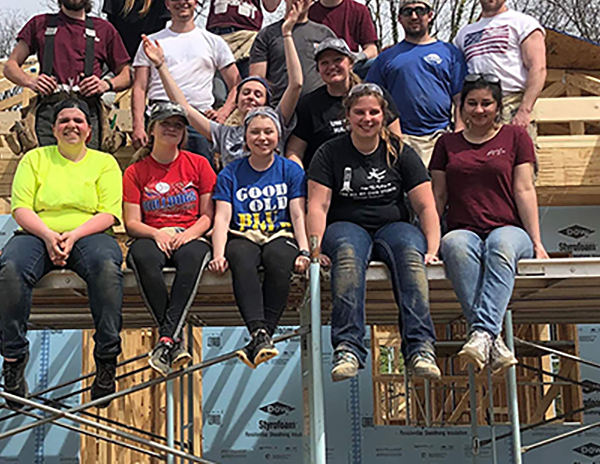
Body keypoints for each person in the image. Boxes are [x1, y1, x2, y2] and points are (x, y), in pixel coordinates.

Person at [306, 83, 443, 383]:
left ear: (383, 115)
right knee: (347, 256)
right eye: (359, 112)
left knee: (410, 254)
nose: (367, 118)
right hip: (346, 226)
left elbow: (426, 206)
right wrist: (315, 250)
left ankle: (420, 346)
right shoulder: (328, 153)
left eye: (373, 112)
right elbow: (318, 205)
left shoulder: (401, 152)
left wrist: (432, 248)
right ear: (347, 116)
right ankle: (348, 347)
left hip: (393, 226)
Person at [0, 98, 124, 409]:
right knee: (11, 270)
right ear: (53, 130)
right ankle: (13, 361)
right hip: (37, 233)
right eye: (64, 120)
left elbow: (109, 213)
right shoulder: (35, 159)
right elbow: (21, 208)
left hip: (90, 233)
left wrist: (74, 235)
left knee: (107, 268)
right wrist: (49, 235)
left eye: (78, 121)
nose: (71, 125)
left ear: (89, 131)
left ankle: (106, 360)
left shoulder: (104, 163)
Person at [428, 74, 548, 374]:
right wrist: (431, 243)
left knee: (500, 246)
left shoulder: (516, 137)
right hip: (463, 228)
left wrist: (536, 242)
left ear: (497, 107)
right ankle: (491, 340)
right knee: (453, 245)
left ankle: (481, 333)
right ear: (462, 107)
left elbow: (524, 189)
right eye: (472, 103)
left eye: (486, 104)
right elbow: (437, 195)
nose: (479, 110)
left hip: (509, 228)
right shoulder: (447, 143)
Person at [140, 0, 305, 167]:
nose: (251, 97)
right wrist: (161, 65)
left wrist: (287, 34)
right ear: (237, 99)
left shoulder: (276, 122)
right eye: (246, 93)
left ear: (266, 102)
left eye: (258, 94)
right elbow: (185, 107)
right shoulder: (224, 133)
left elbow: (296, 84)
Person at [208, 107, 310, 367]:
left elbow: (298, 214)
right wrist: (218, 253)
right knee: (240, 256)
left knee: (278, 257)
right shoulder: (230, 173)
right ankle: (260, 334)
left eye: (268, 132)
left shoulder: (291, 170)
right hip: (244, 233)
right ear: (245, 136)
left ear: (278, 135)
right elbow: (221, 217)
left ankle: (260, 335)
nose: (262, 137)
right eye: (255, 132)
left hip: (281, 232)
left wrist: (304, 250)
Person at [123, 102, 217, 375]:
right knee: (141, 257)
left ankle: (166, 339)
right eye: (166, 123)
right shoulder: (136, 171)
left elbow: (207, 216)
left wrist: (188, 234)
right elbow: (131, 222)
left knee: (192, 259)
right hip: (152, 236)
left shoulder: (198, 164)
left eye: (178, 125)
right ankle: (175, 338)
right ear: (151, 129)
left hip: (191, 233)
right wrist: (156, 233)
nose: (172, 129)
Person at [4, 0, 132, 150]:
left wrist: (106, 85)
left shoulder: (103, 29)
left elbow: (127, 73)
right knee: (46, 170)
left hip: (89, 113)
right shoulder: (40, 24)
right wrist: (31, 82)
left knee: (87, 171)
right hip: (48, 113)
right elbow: (10, 66)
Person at [131, 0, 240, 165]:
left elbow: (237, 84)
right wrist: (138, 125)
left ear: (196, 2)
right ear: (167, 4)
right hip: (160, 117)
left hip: (199, 120)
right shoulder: (151, 42)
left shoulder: (214, 42)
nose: (182, 1)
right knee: (156, 179)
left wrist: (223, 113)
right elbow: (140, 87)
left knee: (202, 180)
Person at [367, 0, 466, 168]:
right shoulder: (386, 58)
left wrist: (458, 136)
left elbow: (461, 100)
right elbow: (373, 100)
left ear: (430, 15)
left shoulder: (450, 52)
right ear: (399, 18)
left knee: (441, 193)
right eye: (407, 12)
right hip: (402, 138)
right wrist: (392, 137)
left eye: (420, 11)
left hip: (440, 136)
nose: (414, 16)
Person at [452, 0, 547, 141]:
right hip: (477, 109)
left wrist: (524, 111)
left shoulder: (524, 24)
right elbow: (455, 74)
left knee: (520, 165)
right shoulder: (464, 33)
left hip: (511, 104)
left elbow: (538, 68)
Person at [285, 38, 401, 169]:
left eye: (338, 60)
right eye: (324, 63)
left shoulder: (375, 95)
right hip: (326, 178)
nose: (331, 66)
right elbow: (294, 151)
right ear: (318, 69)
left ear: (351, 63)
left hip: (374, 176)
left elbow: (397, 141)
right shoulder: (308, 105)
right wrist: (300, 178)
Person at [249, 0, 335, 100]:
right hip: (278, 109)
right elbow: (257, 81)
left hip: (317, 109)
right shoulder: (267, 34)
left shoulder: (324, 34)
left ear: (312, 0)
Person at [308, 0, 379, 74]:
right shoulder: (309, 13)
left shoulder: (360, 11)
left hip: (349, 73)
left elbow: (372, 49)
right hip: (316, 73)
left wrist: (357, 57)